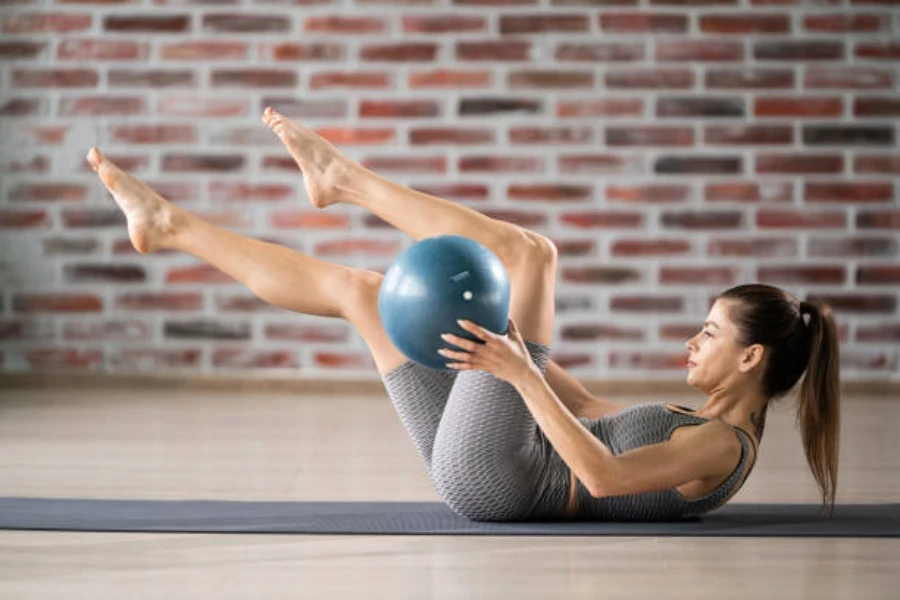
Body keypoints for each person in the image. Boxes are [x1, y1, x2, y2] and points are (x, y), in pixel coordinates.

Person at [85, 107, 840, 522]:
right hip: (499, 465)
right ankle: (169, 226)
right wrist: (518, 350)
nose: (690, 340)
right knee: (360, 290)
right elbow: (576, 409)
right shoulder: (695, 420)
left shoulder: (724, 448)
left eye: (710, 332)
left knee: (532, 257)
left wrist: (519, 367)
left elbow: (603, 477)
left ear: (750, 358)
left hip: (505, 481)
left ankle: (344, 179)